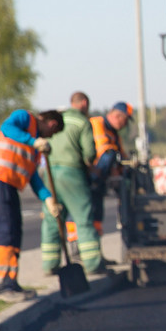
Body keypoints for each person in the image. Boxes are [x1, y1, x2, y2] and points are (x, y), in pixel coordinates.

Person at [0, 109, 64, 302]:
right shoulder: (24, 118)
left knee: (14, 232)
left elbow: (33, 176)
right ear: (52, 124)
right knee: (3, 231)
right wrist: (33, 141)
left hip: (9, 185)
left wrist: (47, 198)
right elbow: (6, 127)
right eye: (52, 134)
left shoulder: (34, 146)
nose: (48, 137)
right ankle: (0, 286)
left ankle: (11, 281)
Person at [41, 91, 106, 275]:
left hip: (50, 173)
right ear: (84, 103)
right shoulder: (82, 122)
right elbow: (89, 154)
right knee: (83, 219)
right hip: (73, 173)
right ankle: (93, 263)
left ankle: (49, 264)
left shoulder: (58, 120)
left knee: (52, 218)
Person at [87, 102, 131, 236]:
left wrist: (126, 166)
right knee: (88, 212)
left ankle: (96, 250)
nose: (125, 125)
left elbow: (122, 156)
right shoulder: (97, 124)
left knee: (97, 214)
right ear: (118, 116)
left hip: (100, 181)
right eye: (125, 120)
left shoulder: (115, 134)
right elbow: (104, 151)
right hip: (92, 175)